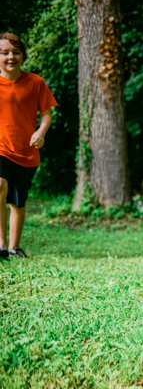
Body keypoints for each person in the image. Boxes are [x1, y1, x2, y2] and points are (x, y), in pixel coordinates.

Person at [0, 32, 58, 260]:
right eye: (4, 53)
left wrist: (41, 132)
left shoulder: (35, 82)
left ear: (23, 55)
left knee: (17, 200)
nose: (10, 56)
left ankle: (14, 247)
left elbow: (46, 114)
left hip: (26, 151)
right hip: (1, 148)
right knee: (0, 185)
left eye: (15, 52)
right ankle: (1, 245)